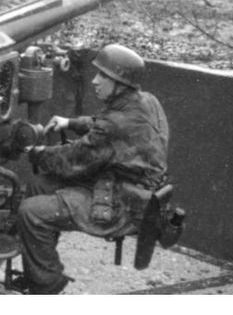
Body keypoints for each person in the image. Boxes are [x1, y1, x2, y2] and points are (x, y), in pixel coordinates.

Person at [15, 43, 169, 294]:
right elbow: (106, 125)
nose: (95, 81)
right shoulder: (145, 101)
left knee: (30, 212)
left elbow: (73, 160)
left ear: (121, 84)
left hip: (124, 202)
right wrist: (72, 122)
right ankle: (39, 271)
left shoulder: (116, 124)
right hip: (126, 183)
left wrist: (36, 153)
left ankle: (47, 285)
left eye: (104, 76)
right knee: (36, 186)